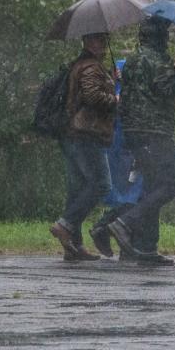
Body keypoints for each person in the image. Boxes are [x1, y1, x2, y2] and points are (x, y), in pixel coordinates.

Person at [107, 16, 175, 266]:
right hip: (156, 132)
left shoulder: (130, 61)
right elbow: (168, 89)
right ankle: (125, 222)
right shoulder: (159, 60)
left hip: (133, 132)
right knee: (170, 184)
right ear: (161, 37)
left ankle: (146, 247)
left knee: (151, 187)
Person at [50, 32, 117, 261]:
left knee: (77, 189)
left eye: (105, 41)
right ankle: (65, 224)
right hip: (87, 133)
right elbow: (92, 97)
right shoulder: (90, 67)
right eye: (100, 40)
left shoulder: (81, 64)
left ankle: (74, 246)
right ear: (89, 42)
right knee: (101, 185)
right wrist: (116, 99)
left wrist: (111, 80)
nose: (104, 45)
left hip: (73, 134)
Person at [89, 59, 143, 261]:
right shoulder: (121, 96)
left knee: (130, 194)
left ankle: (109, 231)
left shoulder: (116, 93)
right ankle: (105, 227)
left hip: (115, 150)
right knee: (136, 194)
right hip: (126, 150)